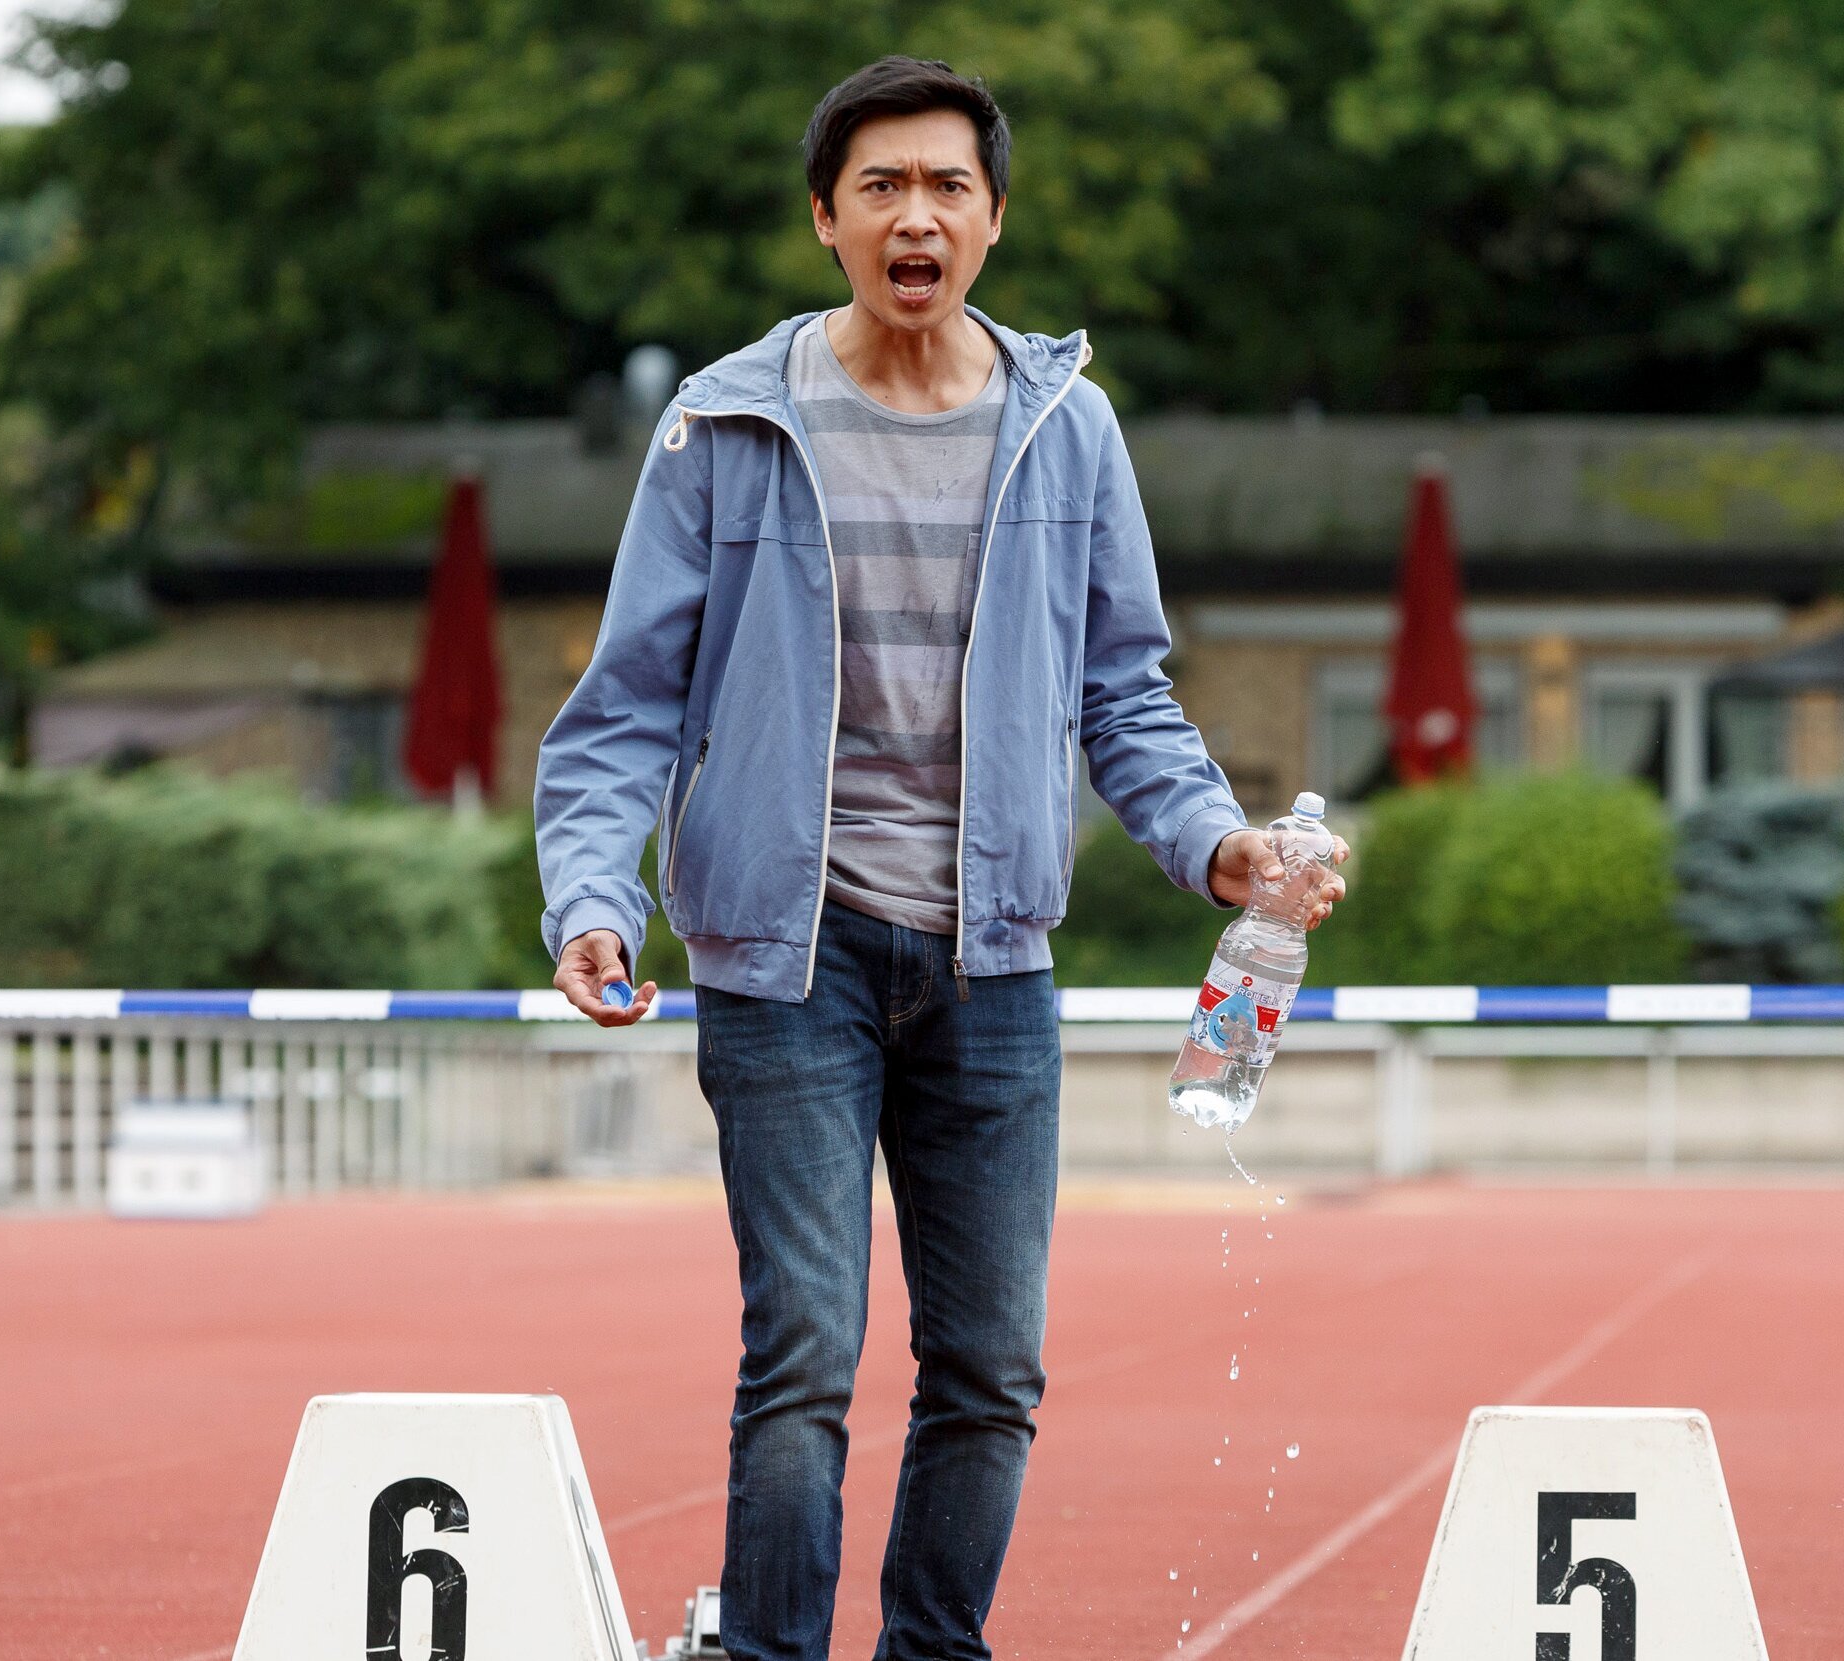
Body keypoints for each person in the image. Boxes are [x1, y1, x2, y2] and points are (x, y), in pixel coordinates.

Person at [531, 55, 1348, 1661]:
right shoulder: (723, 424)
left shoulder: (1068, 427)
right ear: (825, 219)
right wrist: (592, 897)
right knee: (804, 1355)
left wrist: (1220, 845)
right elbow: (624, 705)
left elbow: (1123, 695)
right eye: (882, 187)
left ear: (992, 220)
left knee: (990, 1367)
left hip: (991, 961)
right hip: (785, 956)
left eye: (948, 187)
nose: (917, 215)